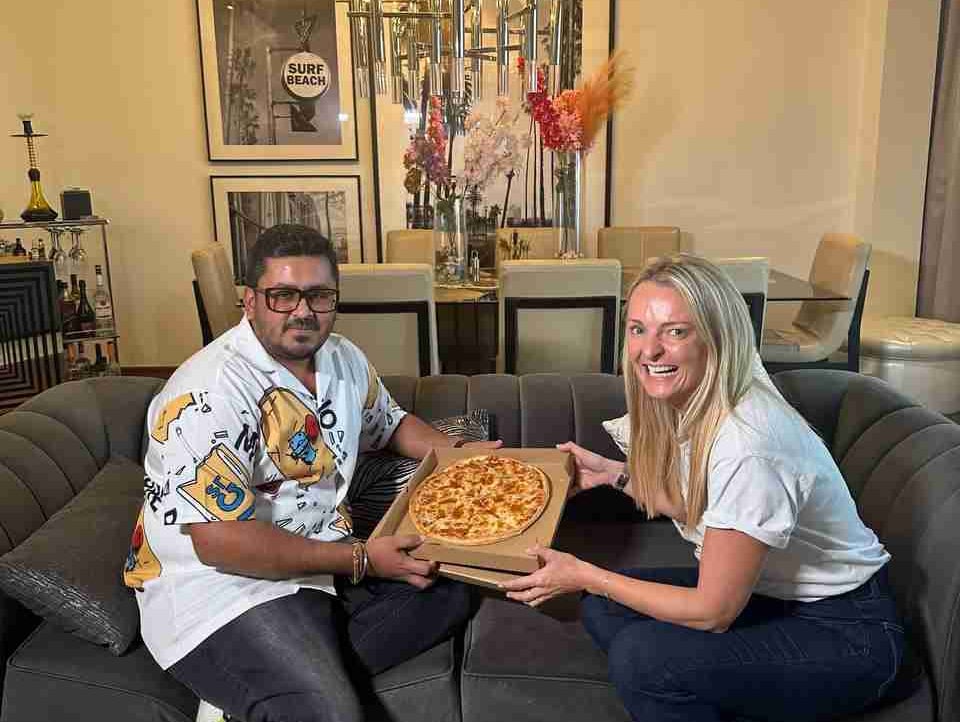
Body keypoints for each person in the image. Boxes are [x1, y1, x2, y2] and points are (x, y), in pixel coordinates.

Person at [501, 254, 905, 722]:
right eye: (637, 329)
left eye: (675, 331)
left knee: (641, 657)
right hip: (777, 598)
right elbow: (700, 505)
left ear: (716, 337)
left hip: (849, 632)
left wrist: (584, 574)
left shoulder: (750, 444)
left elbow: (714, 611)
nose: (648, 351)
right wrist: (615, 474)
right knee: (603, 611)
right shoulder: (699, 397)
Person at [124, 224, 500, 722]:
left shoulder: (343, 357)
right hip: (223, 587)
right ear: (250, 301)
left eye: (319, 295)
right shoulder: (207, 392)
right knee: (331, 713)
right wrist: (362, 560)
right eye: (283, 295)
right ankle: (276, 686)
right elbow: (220, 543)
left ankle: (264, 689)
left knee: (452, 587)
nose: (303, 311)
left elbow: (390, 424)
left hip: (320, 563)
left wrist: (465, 456)